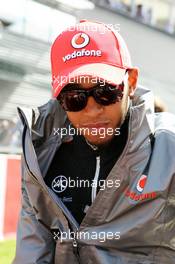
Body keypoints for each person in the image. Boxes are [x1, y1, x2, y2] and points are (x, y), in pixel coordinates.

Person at [13, 20, 175, 264]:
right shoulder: (39, 151)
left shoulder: (169, 147)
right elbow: (32, 253)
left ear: (130, 82)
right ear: (58, 96)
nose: (91, 110)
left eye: (105, 92)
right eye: (75, 98)